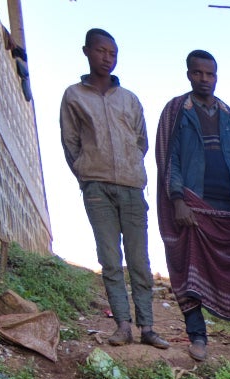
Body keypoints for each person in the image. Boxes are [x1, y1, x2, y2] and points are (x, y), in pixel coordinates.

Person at [155, 50, 230, 362]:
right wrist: (177, 199)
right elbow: (169, 158)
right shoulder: (177, 110)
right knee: (191, 274)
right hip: (193, 206)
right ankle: (198, 337)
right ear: (188, 74)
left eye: (210, 74)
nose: (204, 80)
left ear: (216, 76)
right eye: (198, 73)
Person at [60, 30, 165, 349]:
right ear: (86, 52)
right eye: (101, 51)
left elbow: (142, 141)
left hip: (132, 188)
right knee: (109, 258)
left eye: (113, 53)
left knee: (139, 261)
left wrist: (131, 165)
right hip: (97, 188)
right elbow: (70, 142)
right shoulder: (74, 96)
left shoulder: (129, 99)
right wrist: (85, 172)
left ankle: (147, 326)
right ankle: (122, 325)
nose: (107, 58)